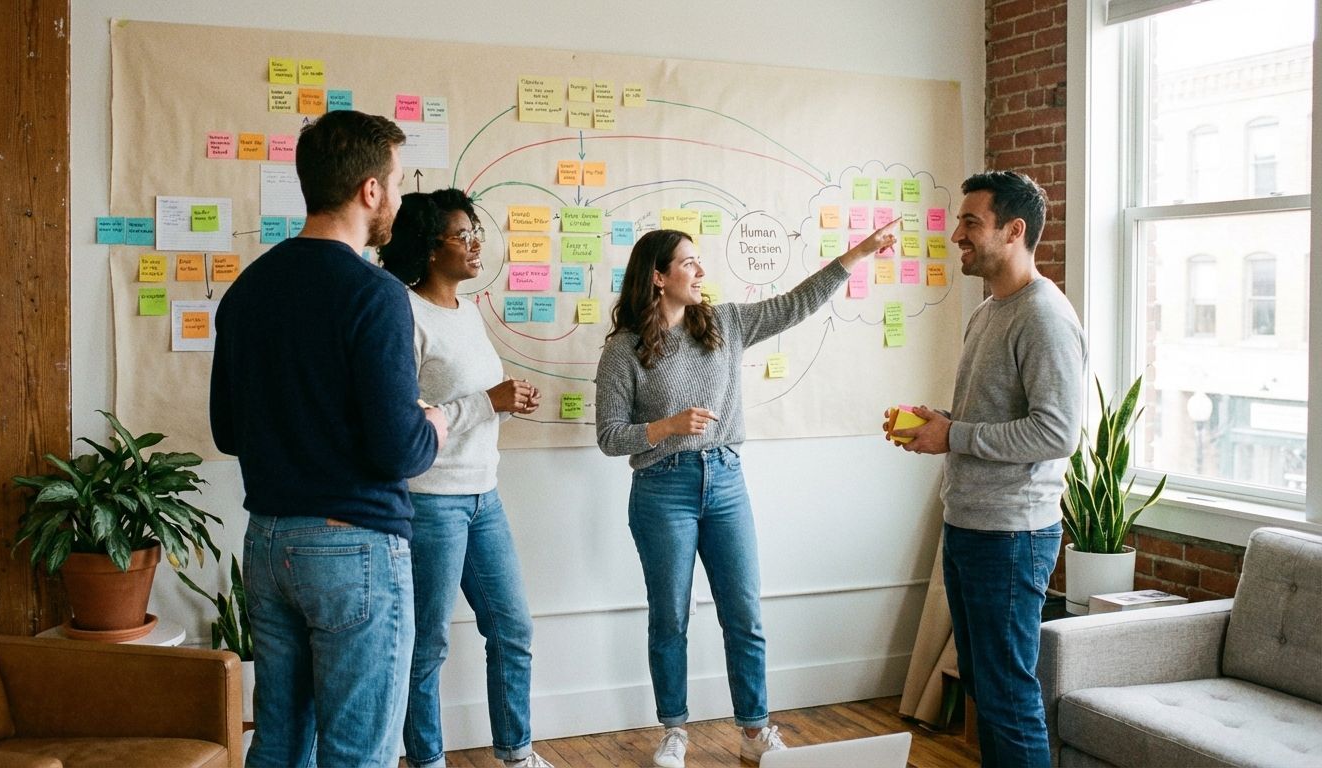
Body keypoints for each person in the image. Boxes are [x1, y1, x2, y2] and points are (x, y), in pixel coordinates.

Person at [595, 220, 899, 768]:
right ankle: (674, 731)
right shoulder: (624, 350)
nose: (701, 271)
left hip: (727, 481)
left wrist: (859, 253)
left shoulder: (728, 323)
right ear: (658, 277)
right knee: (671, 618)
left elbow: (797, 302)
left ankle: (755, 730)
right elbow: (609, 436)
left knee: (744, 615)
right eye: (688, 262)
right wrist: (668, 426)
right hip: (663, 490)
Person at [209, 110, 448, 768]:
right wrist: (433, 424)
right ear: (370, 190)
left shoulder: (248, 289)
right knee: (358, 754)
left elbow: (228, 431)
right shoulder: (375, 295)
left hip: (268, 546)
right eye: (397, 182)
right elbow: (398, 450)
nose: (399, 198)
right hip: (356, 551)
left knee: (281, 744)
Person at [887, 171, 1084, 767]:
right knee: (984, 687)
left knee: (1007, 694)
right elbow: (993, 417)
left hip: (1013, 534)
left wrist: (957, 434)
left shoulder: (1044, 317)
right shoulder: (990, 311)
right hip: (971, 524)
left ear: (1014, 230)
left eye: (971, 223)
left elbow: (1058, 433)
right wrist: (940, 422)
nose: (957, 236)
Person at [378, 189, 552, 768]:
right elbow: (404, 419)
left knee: (512, 629)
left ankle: (516, 754)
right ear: (430, 249)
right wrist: (487, 400)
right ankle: (427, 760)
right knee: (426, 646)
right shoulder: (402, 312)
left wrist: (502, 401)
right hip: (432, 501)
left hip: (485, 495)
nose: (477, 243)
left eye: (476, 232)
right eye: (462, 235)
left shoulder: (468, 311)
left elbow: (466, 401)